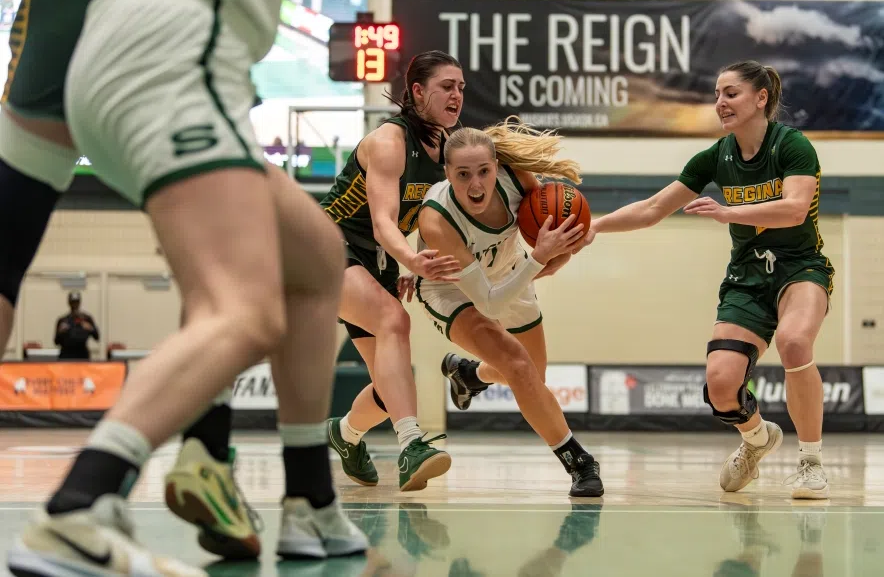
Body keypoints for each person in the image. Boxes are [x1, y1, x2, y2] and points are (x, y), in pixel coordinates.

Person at [7, 0, 368, 576]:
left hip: (112, 67)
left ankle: (312, 501)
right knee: (245, 311)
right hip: (174, 52)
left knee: (316, 254)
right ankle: (81, 507)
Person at [584, 60, 832, 499]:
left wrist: (727, 213)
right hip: (747, 275)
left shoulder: (792, 146)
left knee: (795, 342)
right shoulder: (715, 156)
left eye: (731, 93)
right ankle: (758, 439)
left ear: (761, 98)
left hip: (800, 266)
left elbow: (794, 208)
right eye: (717, 94)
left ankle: (811, 462)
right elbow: (652, 208)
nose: (720, 102)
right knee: (721, 386)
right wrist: (593, 228)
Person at [415, 119, 604, 497]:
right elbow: (486, 301)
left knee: (533, 374)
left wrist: (562, 251)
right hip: (452, 289)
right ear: (447, 173)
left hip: (509, 269)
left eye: (484, 171)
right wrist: (538, 260)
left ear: (497, 167)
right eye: (463, 174)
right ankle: (579, 462)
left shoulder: (519, 180)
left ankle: (470, 376)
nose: (476, 184)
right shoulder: (437, 217)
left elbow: (545, 246)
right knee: (517, 365)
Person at [322, 51, 465, 492]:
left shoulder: (446, 150)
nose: (457, 95)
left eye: (461, 87)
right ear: (418, 92)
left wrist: (415, 259)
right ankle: (411, 445)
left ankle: (345, 435)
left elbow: (428, 217)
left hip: (377, 259)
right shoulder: (389, 141)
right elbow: (384, 219)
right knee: (393, 320)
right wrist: (408, 257)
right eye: (447, 86)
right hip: (328, 247)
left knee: (388, 388)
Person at [54, 292, 99, 360]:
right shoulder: (63, 320)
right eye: (73, 302)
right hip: (66, 355)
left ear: (79, 303)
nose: (74, 305)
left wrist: (91, 328)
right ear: (69, 303)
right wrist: (60, 332)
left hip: (82, 355)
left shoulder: (86, 318)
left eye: (76, 302)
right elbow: (56, 342)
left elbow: (97, 337)